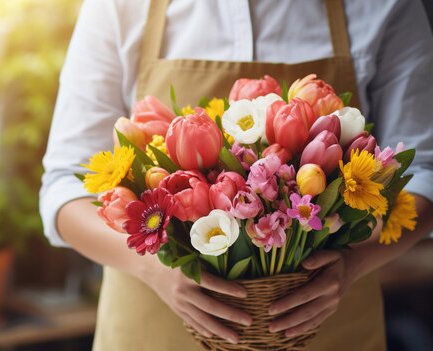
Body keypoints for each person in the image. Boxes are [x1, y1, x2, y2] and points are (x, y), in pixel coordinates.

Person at [40, 0, 433, 350]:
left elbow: (424, 173)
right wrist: (152, 269)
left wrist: (354, 265)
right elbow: (64, 186)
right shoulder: (120, 7)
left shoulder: (385, 6)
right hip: (152, 327)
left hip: (332, 326)